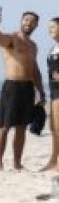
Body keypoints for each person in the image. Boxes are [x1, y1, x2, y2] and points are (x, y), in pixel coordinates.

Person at [0, 9, 45, 170]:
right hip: (12, 87)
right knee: (4, 126)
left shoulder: (33, 46)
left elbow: (35, 70)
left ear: (36, 25)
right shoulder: (12, 39)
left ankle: (17, 163)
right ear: (21, 21)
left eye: (32, 21)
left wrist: (40, 91)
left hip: (28, 88)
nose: (29, 23)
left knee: (21, 127)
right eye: (26, 19)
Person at [42, 17, 59, 172]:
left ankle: (56, 162)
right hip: (53, 92)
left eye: (53, 27)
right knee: (53, 127)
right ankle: (53, 160)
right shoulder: (54, 47)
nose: (50, 30)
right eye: (49, 28)